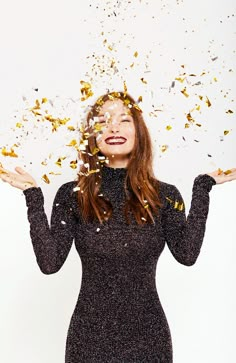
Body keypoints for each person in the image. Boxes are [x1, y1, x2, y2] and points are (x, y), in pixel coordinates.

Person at [0, 91, 235, 363]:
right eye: (103, 121)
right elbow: (49, 263)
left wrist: (202, 189)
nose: (113, 127)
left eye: (124, 120)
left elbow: (187, 255)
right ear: (92, 135)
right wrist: (33, 196)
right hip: (87, 340)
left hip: (149, 339)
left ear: (139, 132)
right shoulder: (72, 195)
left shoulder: (166, 196)